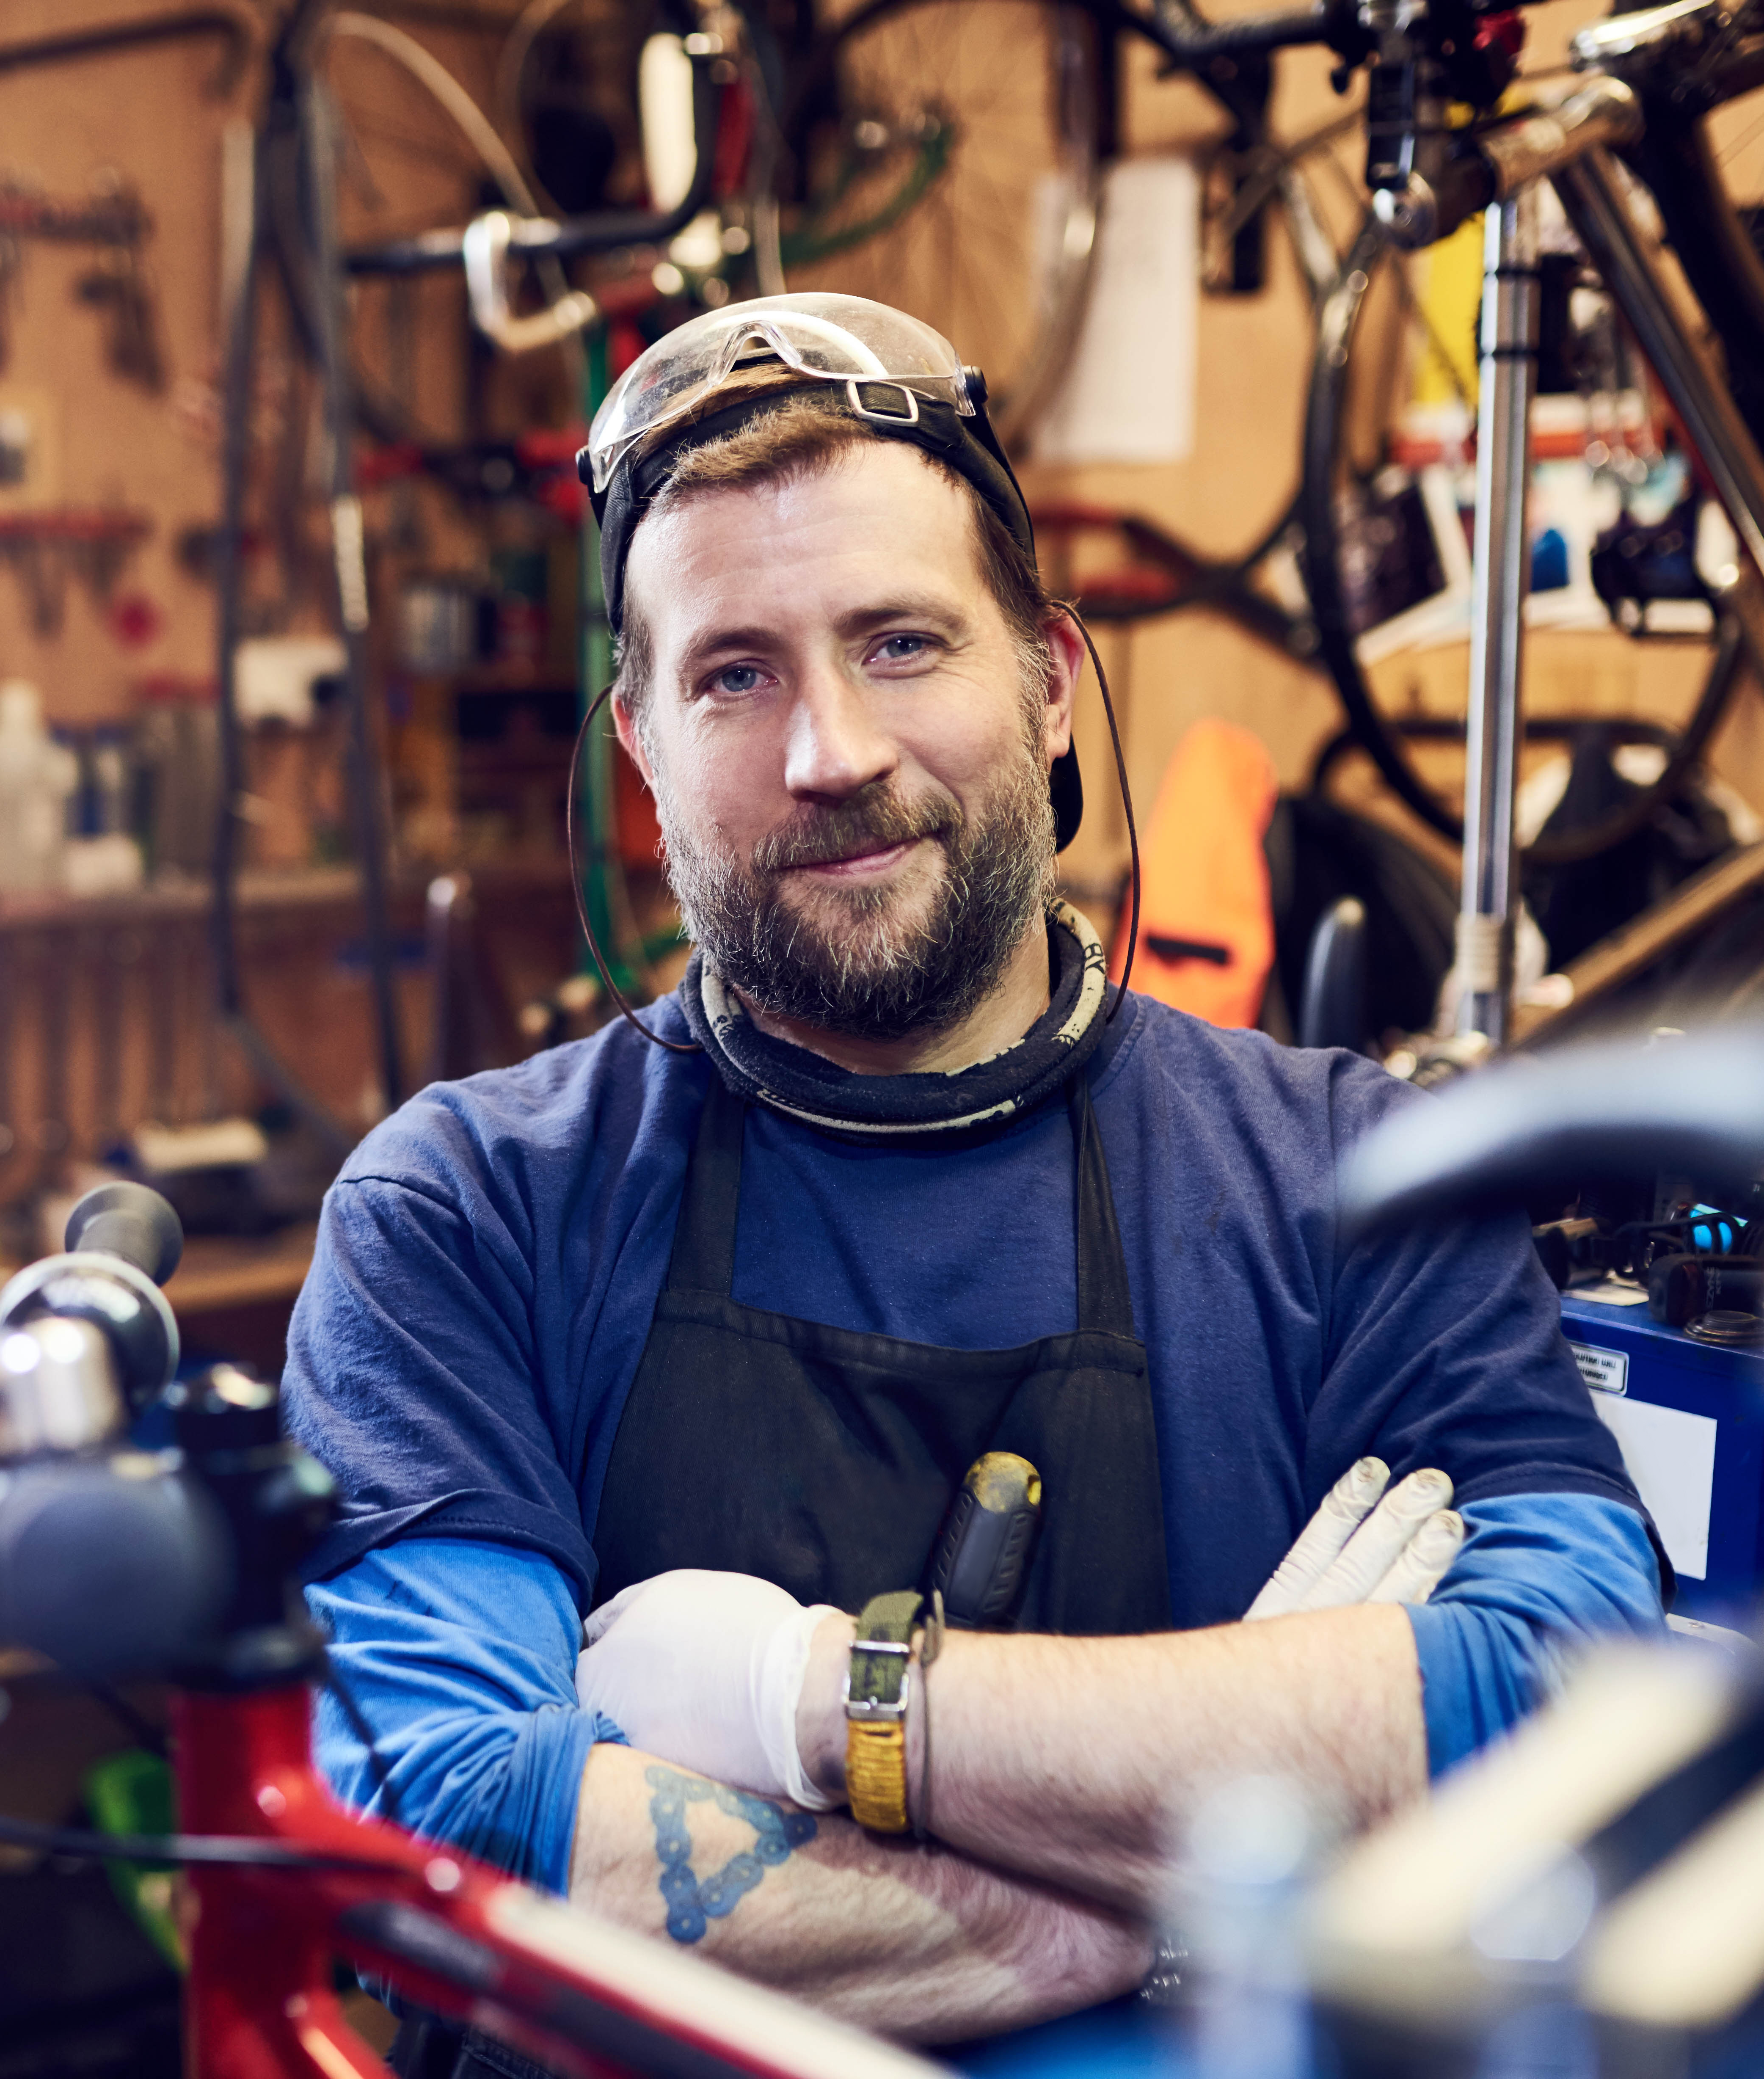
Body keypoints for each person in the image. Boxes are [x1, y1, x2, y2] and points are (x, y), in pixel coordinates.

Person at [281, 294, 1663, 2058]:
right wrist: (1223, 1875)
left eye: (901, 642)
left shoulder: (1352, 1182)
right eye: (733, 674)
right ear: (641, 749)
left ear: (1051, 682)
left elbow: (1571, 1702)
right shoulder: (465, 1212)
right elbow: (448, 1835)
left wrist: (811, 1702)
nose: (832, 753)